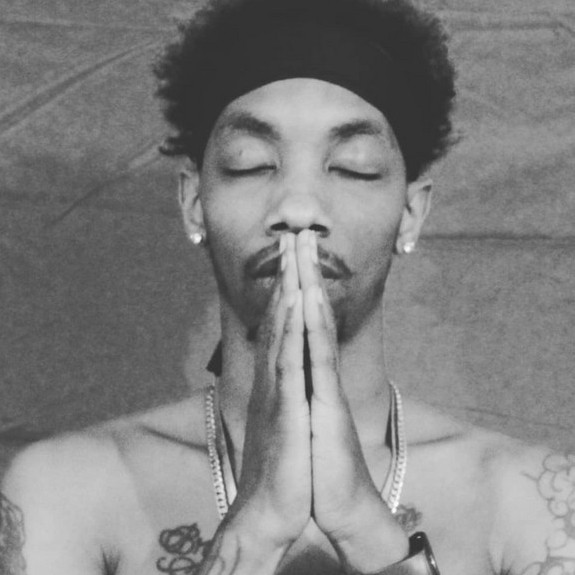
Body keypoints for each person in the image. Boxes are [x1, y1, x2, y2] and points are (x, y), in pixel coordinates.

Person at [1, 0, 574, 573]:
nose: (298, 208)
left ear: (410, 214)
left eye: (353, 167)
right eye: (250, 164)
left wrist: (364, 527)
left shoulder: (528, 499)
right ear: (194, 203)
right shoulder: (69, 489)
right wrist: (258, 527)